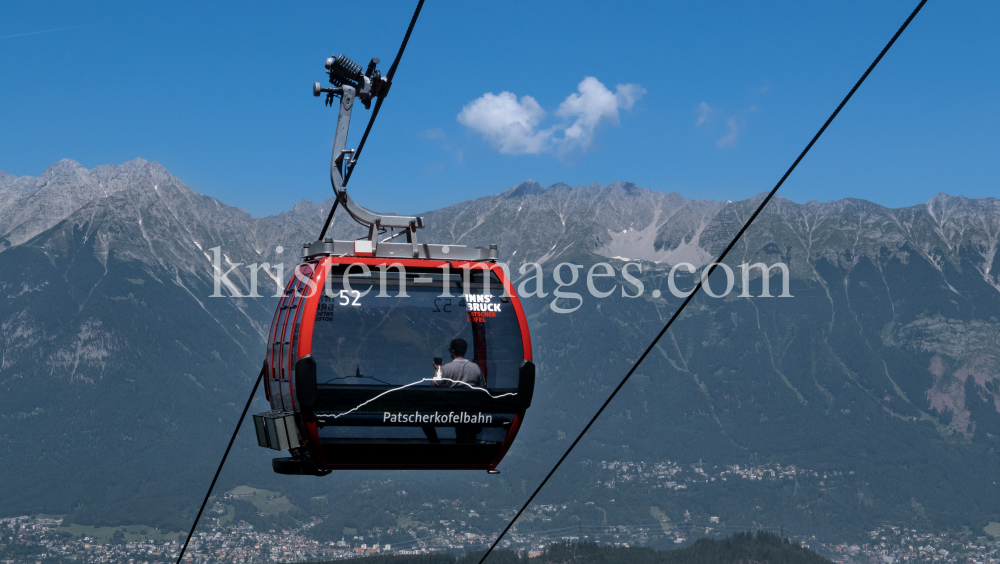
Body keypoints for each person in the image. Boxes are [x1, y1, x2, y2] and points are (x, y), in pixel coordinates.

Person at [423, 338, 484, 444]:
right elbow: (483, 389)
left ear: (452, 351)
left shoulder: (446, 368)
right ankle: (462, 443)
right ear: (464, 350)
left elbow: (434, 385)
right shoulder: (476, 368)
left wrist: (437, 369)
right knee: (463, 421)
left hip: (450, 413)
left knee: (424, 419)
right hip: (469, 413)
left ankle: (435, 443)